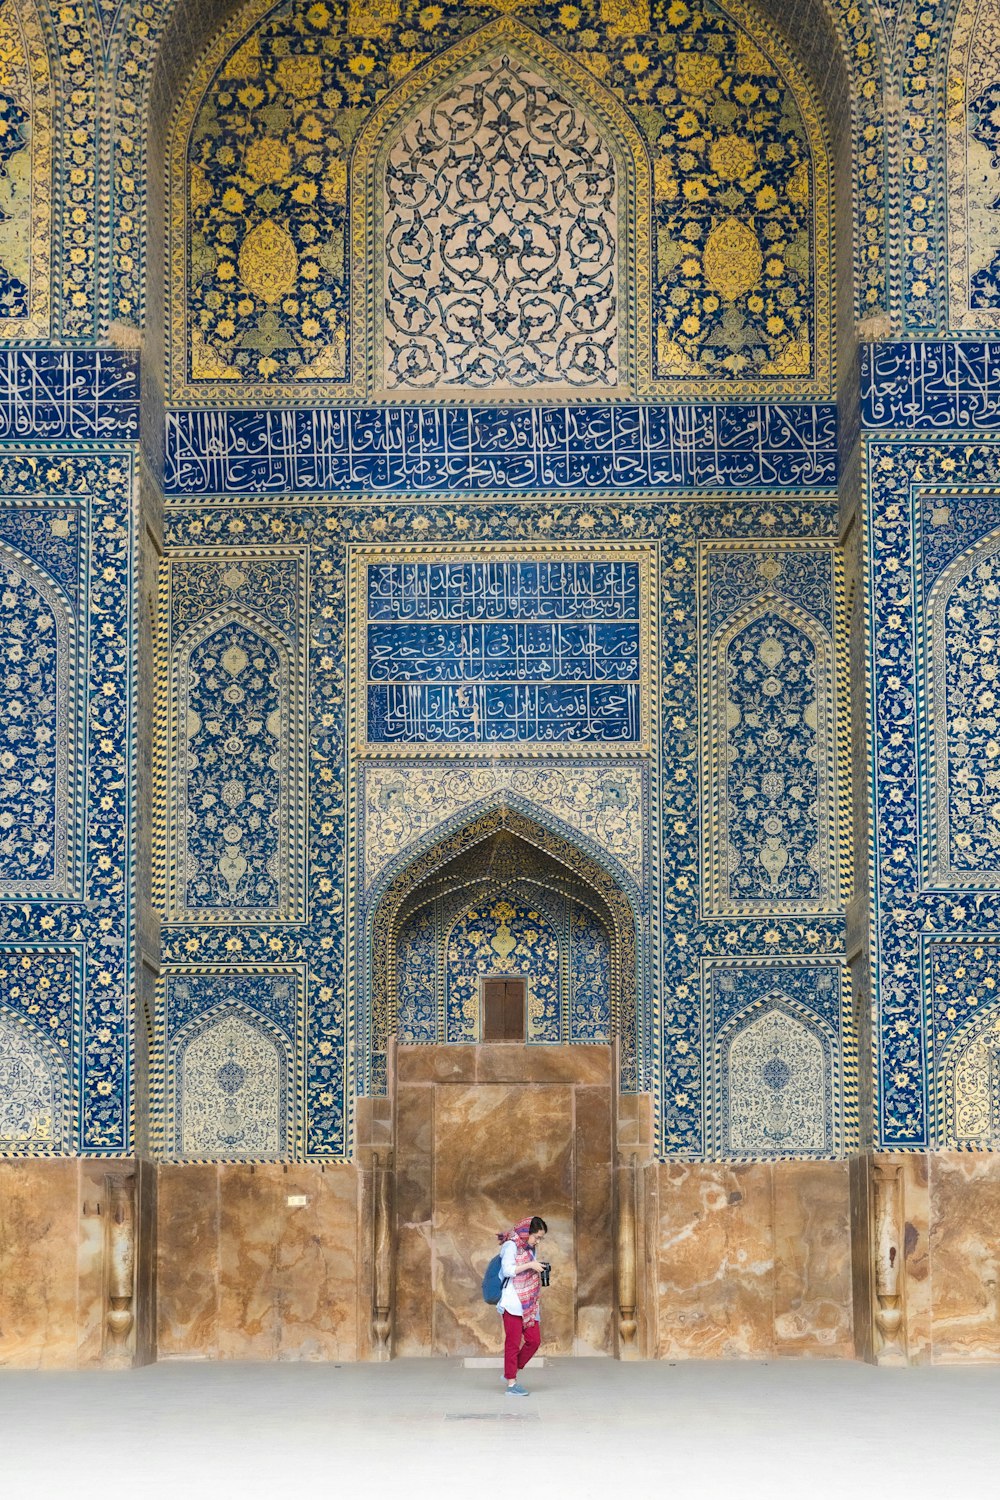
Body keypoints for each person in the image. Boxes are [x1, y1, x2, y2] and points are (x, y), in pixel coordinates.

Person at [496, 1215, 548, 1396]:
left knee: (534, 1340)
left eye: (541, 1238)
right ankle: (511, 1384)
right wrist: (530, 1265)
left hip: (529, 1303)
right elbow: (508, 1270)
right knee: (513, 1343)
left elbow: (528, 1269)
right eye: (537, 1237)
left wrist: (536, 1267)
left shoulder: (529, 1248)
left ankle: (510, 1370)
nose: (538, 1241)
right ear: (527, 1233)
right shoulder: (511, 1245)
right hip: (512, 1301)